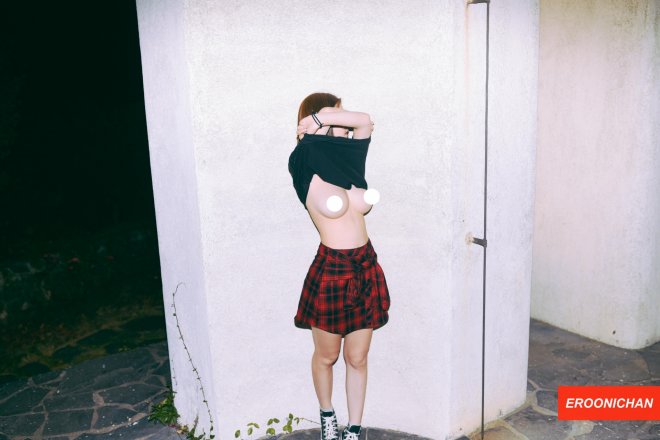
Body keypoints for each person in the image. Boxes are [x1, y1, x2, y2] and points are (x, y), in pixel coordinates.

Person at [288, 92, 391, 440]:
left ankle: (354, 429)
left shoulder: (350, 159)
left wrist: (325, 117)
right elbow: (333, 129)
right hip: (332, 271)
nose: (345, 119)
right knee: (327, 356)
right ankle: (327, 416)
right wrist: (319, 121)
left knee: (358, 358)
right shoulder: (303, 161)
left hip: (365, 266)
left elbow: (365, 121)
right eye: (337, 114)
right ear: (316, 119)